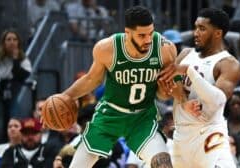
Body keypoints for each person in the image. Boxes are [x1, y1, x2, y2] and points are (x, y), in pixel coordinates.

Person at [47, 6, 176, 167]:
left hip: (142, 117)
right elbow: (91, 80)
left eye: (150, 33)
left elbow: (163, 96)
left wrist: (165, 91)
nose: (148, 40)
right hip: (110, 115)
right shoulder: (107, 48)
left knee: (163, 163)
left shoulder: (165, 49)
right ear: (127, 33)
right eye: (142, 35)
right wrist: (66, 96)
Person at [158, 8, 240, 167]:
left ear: (218, 33)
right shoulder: (185, 54)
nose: (195, 33)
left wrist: (189, 71)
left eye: (202, 28)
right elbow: (164, 95)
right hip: (181, 137)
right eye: (196, 27)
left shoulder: (228, 64)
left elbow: (216, 101)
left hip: (209, 135)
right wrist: (181, 99)